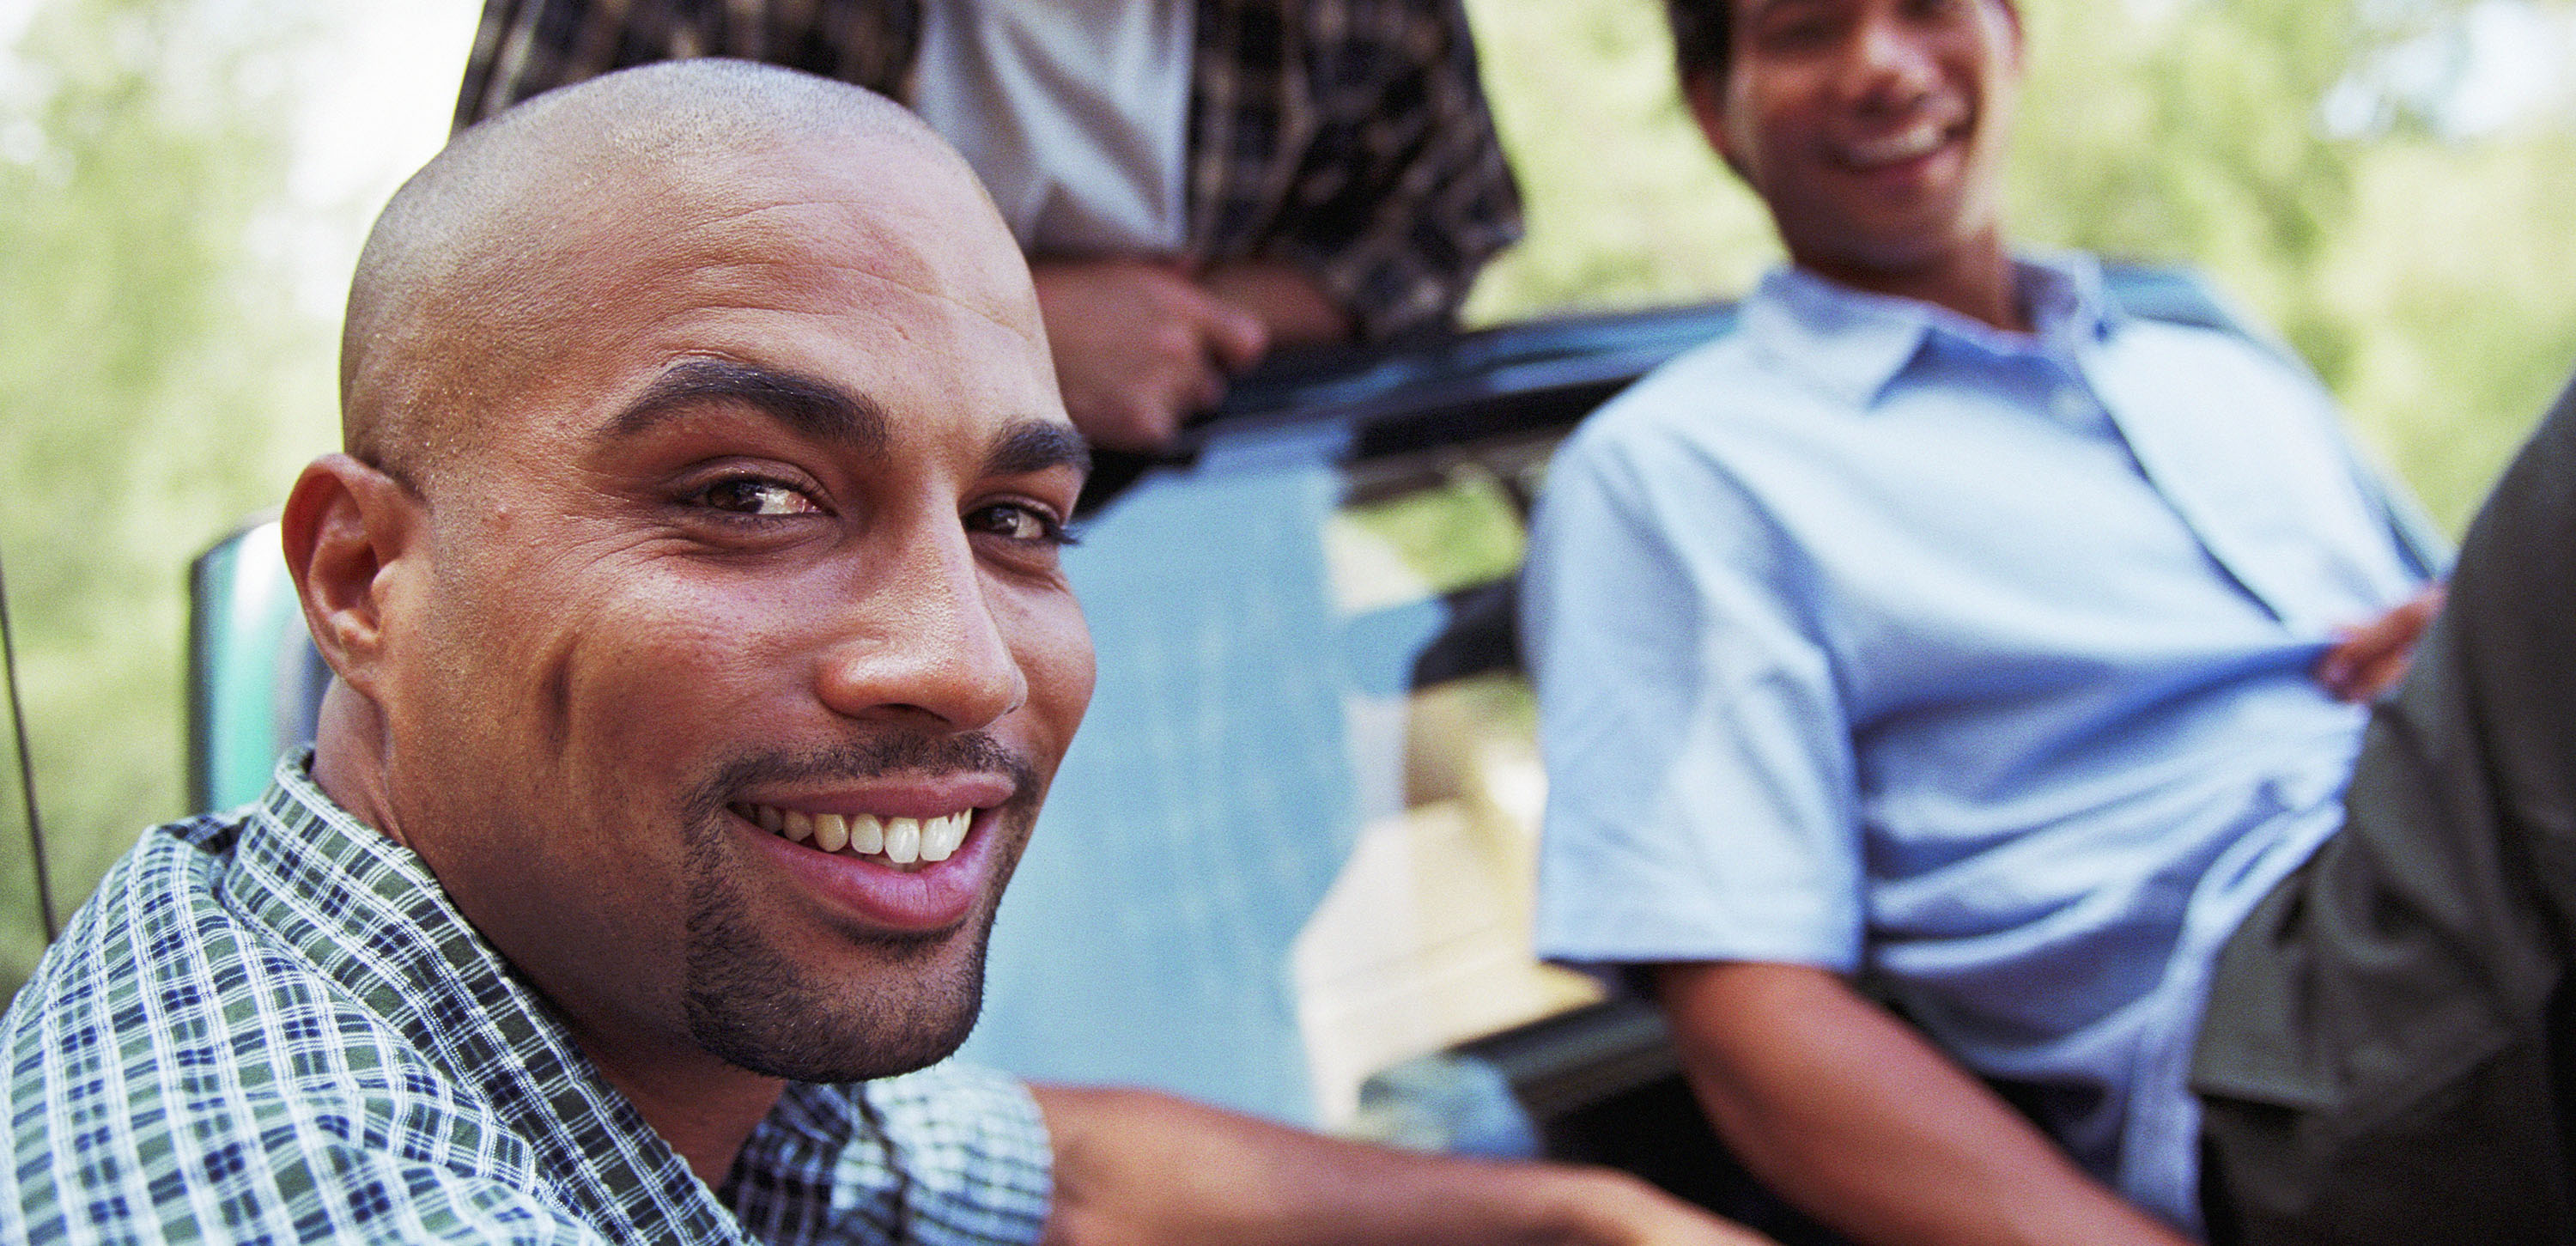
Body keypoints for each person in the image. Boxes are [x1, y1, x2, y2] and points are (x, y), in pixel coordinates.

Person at [0, 60, 1765, 1246]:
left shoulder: (582, 1015)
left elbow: (1057, 1174)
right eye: (750, 492)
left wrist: (1583, 1217)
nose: (961, 660)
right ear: (363, 577)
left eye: (1016, 520)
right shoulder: (295, 1187)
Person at [1521, 0, 2574, 1241]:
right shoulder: (1680, 470)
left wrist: (2461, 641)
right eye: (1805, 30)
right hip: (2294, 1048)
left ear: (2011, 35)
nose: (1882, 66)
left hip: (2472, 893)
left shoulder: (2216, 371)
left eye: (1927, 8)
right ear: (1716, 108)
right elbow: (1756, 1023)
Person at [452, 0, 1524, 453]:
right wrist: (1015, 342)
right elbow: (495, 291)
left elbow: (1448, 215)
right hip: (772, 585)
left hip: (1206, 580)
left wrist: (1185, 329)